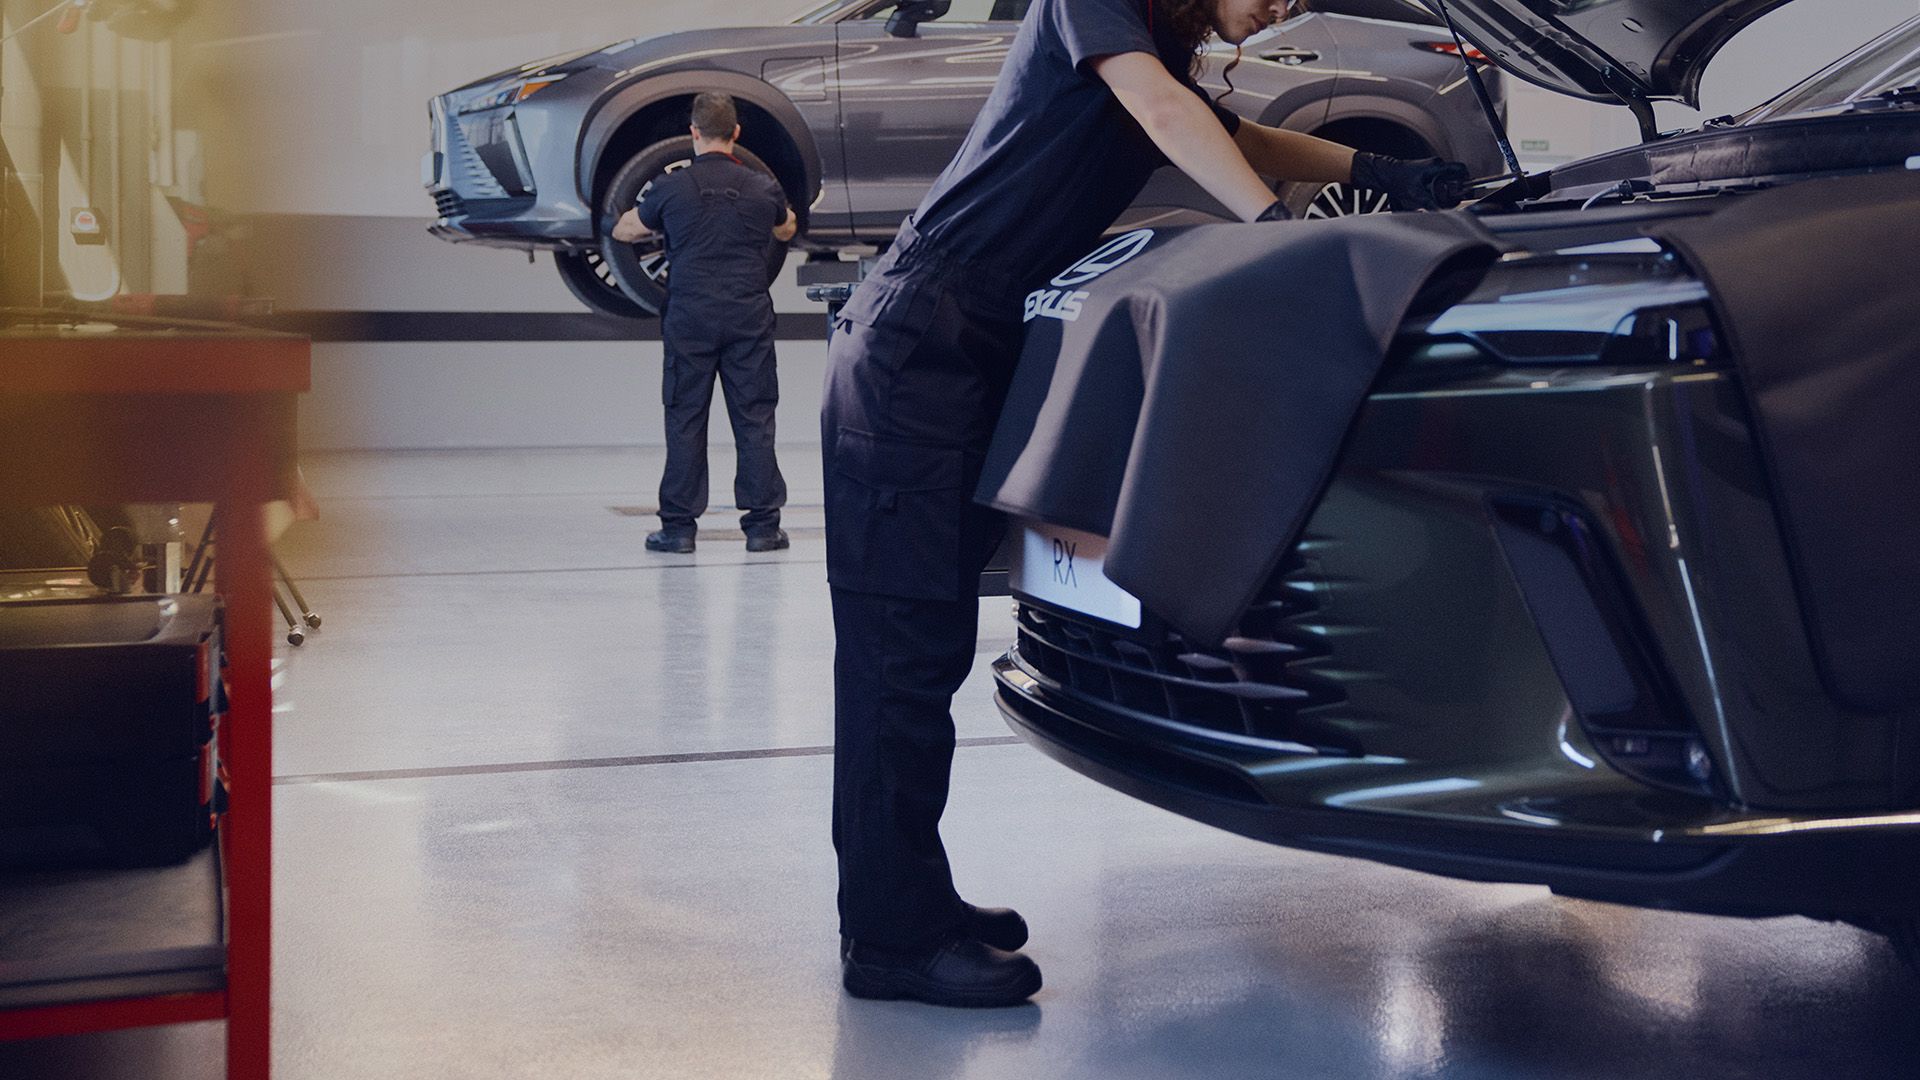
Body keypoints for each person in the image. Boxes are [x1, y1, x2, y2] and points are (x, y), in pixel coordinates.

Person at [824, 0, 1469, 1007]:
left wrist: (1373, 172)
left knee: (925, 651)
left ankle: (907, 899)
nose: (1285, 6)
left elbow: (1228, 130)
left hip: (960, 344)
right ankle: (890, 940)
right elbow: (1169, 115)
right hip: (919, 341)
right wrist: (1271, 228)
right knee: (896, 657)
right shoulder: (1102, 12)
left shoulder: (1152, 43)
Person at [613, 92, 800, 554]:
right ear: (736, 134)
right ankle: (762, 529)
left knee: (685, 418)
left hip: (690, 316)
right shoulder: (762, 187)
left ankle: (678, 530)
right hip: (747, 316)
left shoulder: (671, 188)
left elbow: (625, 230)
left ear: (693, 133)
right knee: (755, 418)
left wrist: (660, 224)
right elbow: (787, 227)